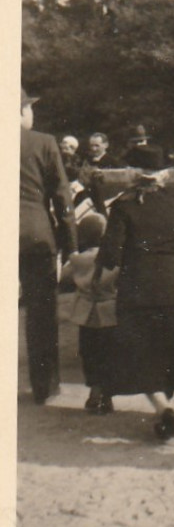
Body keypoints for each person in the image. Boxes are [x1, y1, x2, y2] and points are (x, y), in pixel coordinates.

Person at [93, 145, 174, 439]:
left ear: (134, 173)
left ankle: (162, 409)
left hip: (140, 292)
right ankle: (164, 408)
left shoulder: (124, 206)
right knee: (171, 354)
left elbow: (110, 254)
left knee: (143, 357)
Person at [19, 88, 78, 404]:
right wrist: (71, 244)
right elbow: (62, 197)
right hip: (36, 236)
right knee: (41, 312)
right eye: (29, 108)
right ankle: (45, 386)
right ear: (21, 111)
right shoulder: (43, 142)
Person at [60, 211, 117, 415]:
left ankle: (94, 392)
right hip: (109, 314)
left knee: (89, 355)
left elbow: (64, 278)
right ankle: (108, 396)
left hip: (85, 314)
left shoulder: (77, 260)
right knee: (108, 355)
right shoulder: (114, 260)